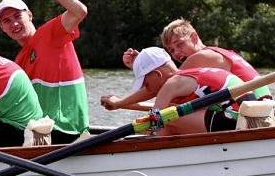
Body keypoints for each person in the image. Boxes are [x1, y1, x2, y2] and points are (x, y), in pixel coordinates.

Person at [0, 0, 89, 144]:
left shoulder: (51, 33)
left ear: (29, 15)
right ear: (2, 28)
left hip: (67, 130)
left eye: (17, 16)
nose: (14, 24)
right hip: (42, 133)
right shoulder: (19, 61)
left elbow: (79, 11)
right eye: (6, 21)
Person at [101, 18, 270, 110]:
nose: (176, 53)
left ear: (194, 38)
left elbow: (167, 85)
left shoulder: (202, 57)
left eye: (180, 44)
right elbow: (162, 83)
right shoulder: (218, 53)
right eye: (171, 50)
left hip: (256, 111)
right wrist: (142, 66)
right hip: (261, 109)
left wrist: (120, 102)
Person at [127, 47, 254, 136]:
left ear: (157, 74)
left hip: (234, 120)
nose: (148, 90)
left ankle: (167, 155)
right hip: (251, 118)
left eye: (147, 84)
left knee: (164, 118)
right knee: (172, 111)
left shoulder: (171, 84)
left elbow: (154, 120)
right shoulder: (190, 74)